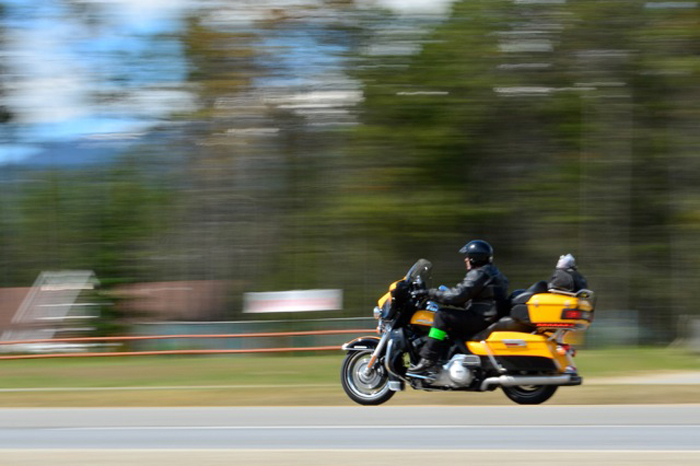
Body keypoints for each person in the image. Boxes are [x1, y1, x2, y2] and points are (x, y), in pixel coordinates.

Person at [407, 240, 509, 376]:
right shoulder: (492, 272)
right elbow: (475, 298)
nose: (465, 259)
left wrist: (429, 293)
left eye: (468, 256)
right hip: (488, 315)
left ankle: (428, 358)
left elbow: (457, 295)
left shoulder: (479, 273)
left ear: (474, 258)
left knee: (442, 316)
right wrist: (447, 296)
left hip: (482, 318)